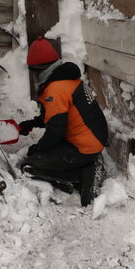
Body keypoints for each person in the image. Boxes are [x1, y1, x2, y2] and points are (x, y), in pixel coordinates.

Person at [19, 37, 108, 206]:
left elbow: (56, 131)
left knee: (30, 165)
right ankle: (90, 161)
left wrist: (38, 149)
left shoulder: (56, 89)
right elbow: (58, 118)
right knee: (44, 153)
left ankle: (83, 173)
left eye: (33, 72)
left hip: (84, 147)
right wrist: (31, 124)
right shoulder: (67, 80)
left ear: (39, 70)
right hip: (93, 139)